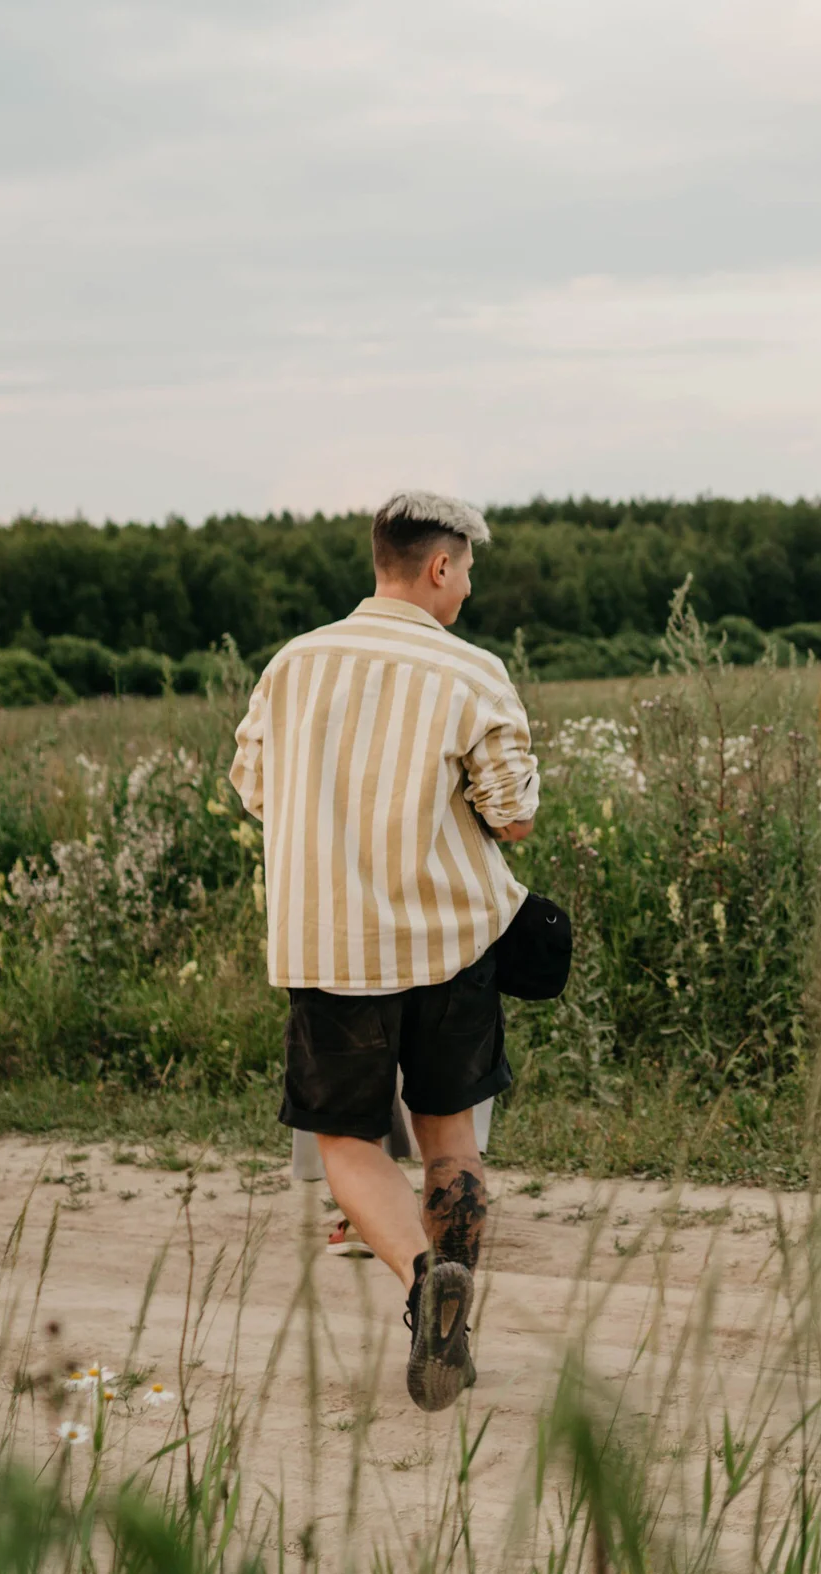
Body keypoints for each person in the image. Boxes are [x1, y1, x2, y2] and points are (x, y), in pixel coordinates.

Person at [228, 490, 538, 1413]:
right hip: (451, 944)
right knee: (450, 1136)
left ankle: (418, 1280)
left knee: (349, 1143)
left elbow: (253, 786)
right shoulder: (473, 672)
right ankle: (454, 1298)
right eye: (468, 569)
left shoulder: (294, 664)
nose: (469, 588)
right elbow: (514, 816)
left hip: (330, 946)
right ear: (439, 565)